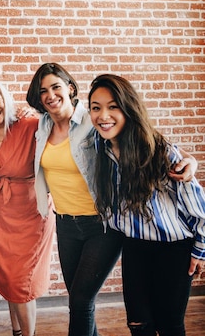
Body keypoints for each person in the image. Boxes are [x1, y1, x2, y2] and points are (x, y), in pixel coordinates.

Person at [25, 63, 198, 336]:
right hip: (67, 223)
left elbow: (149, 142)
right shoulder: (42, 126)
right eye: (43, 90)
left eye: (56, 87)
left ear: (70, 88)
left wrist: (191, 160)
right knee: (80, 300)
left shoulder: (92, 122)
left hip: (102, 224)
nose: (50, 95)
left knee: (81, 300)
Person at [88, 74, 205, 336]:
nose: (103, 115)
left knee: (170, 325)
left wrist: (200, 251)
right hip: (135, 247)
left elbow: (198, 207)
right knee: (138, 325)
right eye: (96, 107)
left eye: (113, 106)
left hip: (174, 250)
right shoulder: (101, 147)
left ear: (128, 108)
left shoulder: (158, 150)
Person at [0, 77, 55, 336]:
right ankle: (17, 331)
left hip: (31, 213)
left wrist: (40, 113)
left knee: (21, 281)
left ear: (5, 99)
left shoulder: (30, 125)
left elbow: (65, 129)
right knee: (7, 277)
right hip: (0, 215)